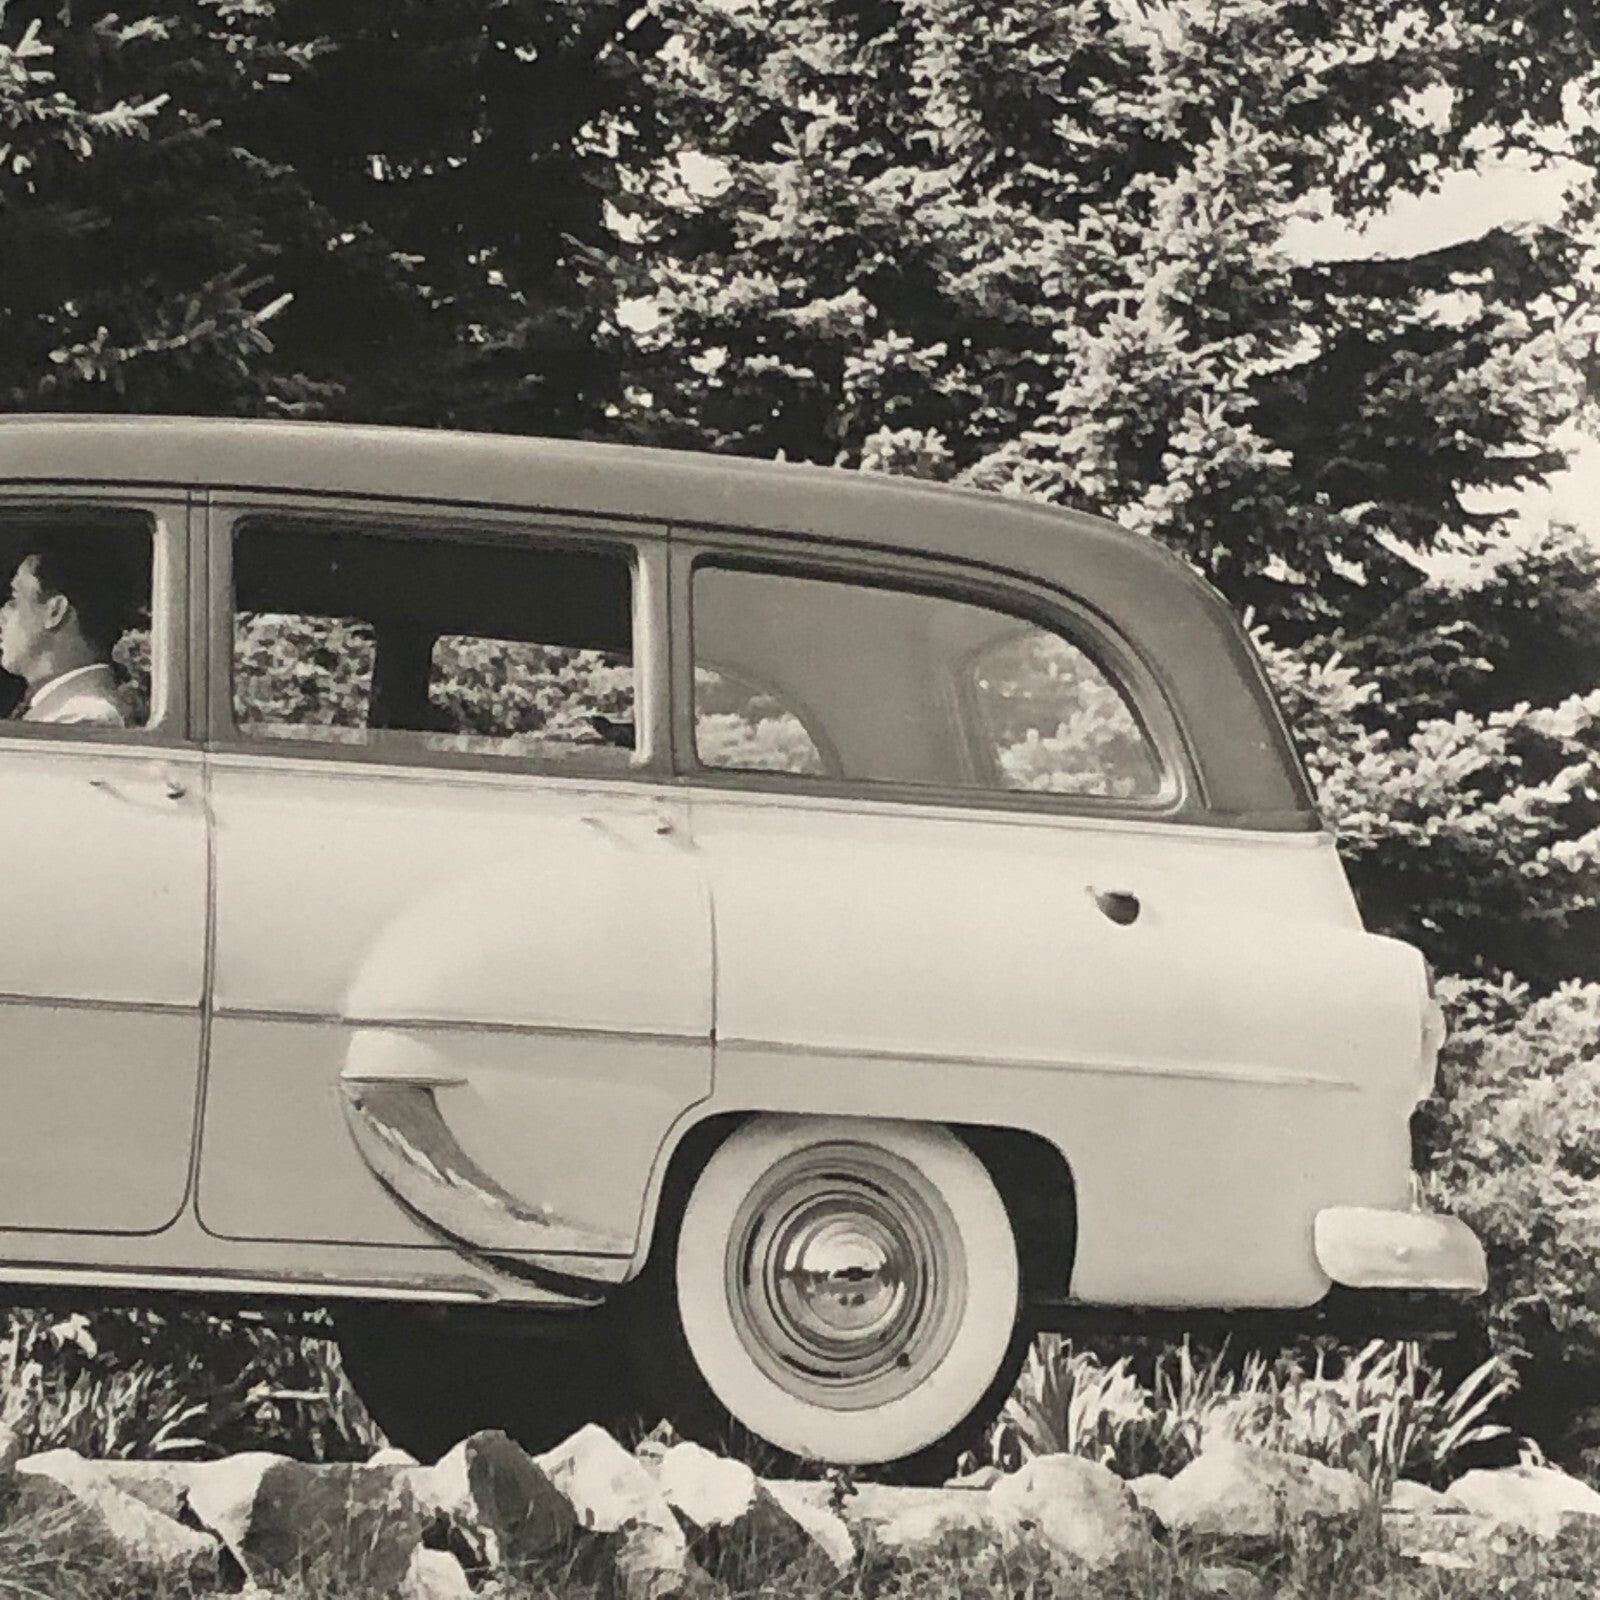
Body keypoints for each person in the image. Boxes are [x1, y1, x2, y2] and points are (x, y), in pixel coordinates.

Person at [0, 540, 130, 727]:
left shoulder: (83, 715)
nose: (2, 616)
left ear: (55, 611)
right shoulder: (60, 708)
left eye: (14, 599)